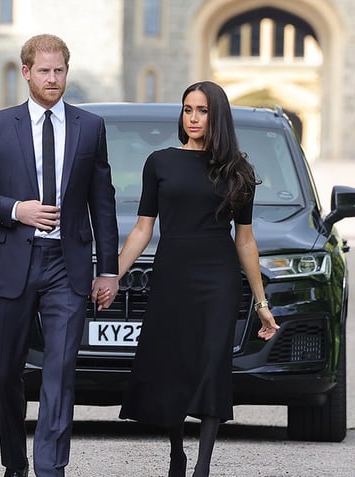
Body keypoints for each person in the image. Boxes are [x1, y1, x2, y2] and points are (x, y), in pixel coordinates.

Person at [0, 34, 119, 477]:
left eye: (60, 70)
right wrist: (15, 209)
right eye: (44, 71)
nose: (53, 79)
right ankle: (15, 463)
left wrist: (108, 270)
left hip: (66, 266)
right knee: (7, 372)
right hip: (13, 262)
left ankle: (51, 469)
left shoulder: (90, 127)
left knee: (60, 370)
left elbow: (102, 203)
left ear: (68, 71)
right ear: (26, 72)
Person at [113, 81, 279, 477]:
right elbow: (141, 229)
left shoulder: (239, 170)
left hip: (218, 278)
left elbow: (246, 240)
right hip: (172, 273)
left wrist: (261, 304)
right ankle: (176, 454)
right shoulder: (160, 162)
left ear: (216, 115)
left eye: (202, 111)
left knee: (211, 363)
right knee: (174, 363)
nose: (193, 118)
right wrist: (111, 275)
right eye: (188, 109)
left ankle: (202, 464)